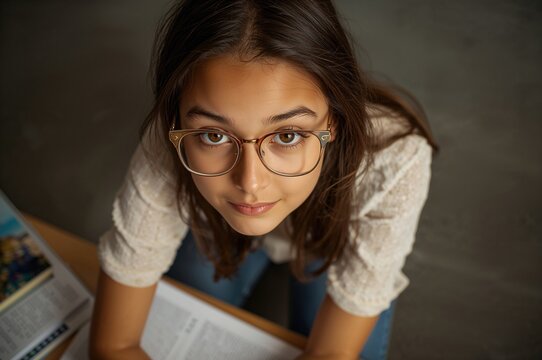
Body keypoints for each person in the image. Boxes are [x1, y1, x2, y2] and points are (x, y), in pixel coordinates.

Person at [89, 0, 439, 359]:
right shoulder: (172, 140)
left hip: (332, 238)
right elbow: (114, 344)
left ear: (333, 120)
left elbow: (331, 352)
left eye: (287, 136)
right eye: (214, 135)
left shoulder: (394, 160)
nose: (250, 183)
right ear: (177, 119)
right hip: (215, 222)